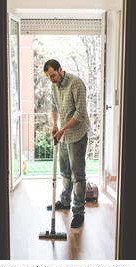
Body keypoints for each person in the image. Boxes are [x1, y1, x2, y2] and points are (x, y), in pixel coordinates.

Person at [43, 59, 91, 228]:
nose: (52, 79)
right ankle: (64, 201)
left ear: (60, 70)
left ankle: (78, 212)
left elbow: (80, 114)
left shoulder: (76, 83)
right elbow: (54, 106)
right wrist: (55, 125)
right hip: (63, 133)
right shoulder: (54, 86)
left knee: (78, 176)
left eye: (53, 75)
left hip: (77, 135)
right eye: (49, 77)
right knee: (65, 171)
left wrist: (62, 129)